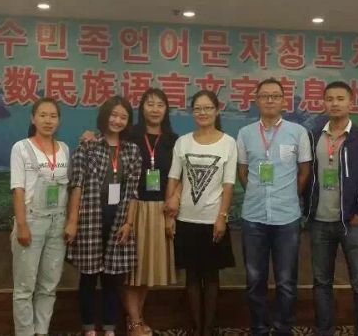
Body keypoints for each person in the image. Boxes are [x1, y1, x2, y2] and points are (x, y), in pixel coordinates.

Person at [236, 78, 312, 336]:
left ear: (283, 101)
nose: (270, 100)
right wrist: (257, 193)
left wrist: (287, 195)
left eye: (275, 96)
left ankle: (283, 329)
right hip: (253, 218)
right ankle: (258, 328)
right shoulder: (245, 133)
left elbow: (304, 172)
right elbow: (243, 172)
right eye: (264, 96)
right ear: (257, 100)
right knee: (254, 280)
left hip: (287, 219)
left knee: (286, 282)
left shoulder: (298, 132)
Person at [306, 81, 358, 336]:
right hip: (320, 221)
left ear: (351, 103)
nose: (335, 103)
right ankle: (324, 331)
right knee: (321, 283)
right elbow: (306, 175)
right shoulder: (314, 136)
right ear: (323, 103)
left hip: (352, 223)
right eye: (329, 99)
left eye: (340, 98)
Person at [65, 96, 142, 336]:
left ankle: (109, 328)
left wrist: (129, 222)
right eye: (114, 115)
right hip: (90, 220)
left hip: (118, 221)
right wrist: (72, 221)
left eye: (123, 117)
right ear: (105, 116)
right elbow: (76, 185)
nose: (117, 120)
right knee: (88, 277)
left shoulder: (132, 150)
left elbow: (133, 191)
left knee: (113, 278)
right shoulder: (88, 146)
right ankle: (89, 328)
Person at [165, 90, 237, 336]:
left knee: (212, 276)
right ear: (192, 112)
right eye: (198, 108)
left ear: (217, 110)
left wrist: (222, 217)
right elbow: (173, 178)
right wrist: (169, 215)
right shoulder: (183, 142)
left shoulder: (228, 143)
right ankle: (197, 327)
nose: (203, 113)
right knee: (192, 277)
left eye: (207, 108)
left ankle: (209, 328)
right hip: (186, 219)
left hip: (212, 220)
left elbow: (229, 184)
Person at [10, 97, 71, 336]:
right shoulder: (21, 148)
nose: (48, 120)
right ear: (33, 118)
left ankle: (41, 331)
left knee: (48, 286)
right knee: (24, 287)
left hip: (58, 221)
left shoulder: (64, 149)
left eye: (53, 116)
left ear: (59, 120)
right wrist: (22, 225)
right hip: (32, 220)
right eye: (43, 115)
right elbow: (18, 189)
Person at [124, 89, 179, 336]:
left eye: (160, 104)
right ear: (142, 108)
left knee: (145, 269)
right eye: (150, 104)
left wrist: (173, 204)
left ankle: (135, 318)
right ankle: (136, 322)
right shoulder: (130, 135)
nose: (155, 109)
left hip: (160, 209)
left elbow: (180, 174)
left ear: (166, 110)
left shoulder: (173, 140)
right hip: (133, 206)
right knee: (130, 269)